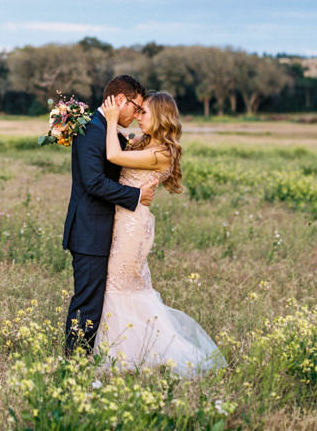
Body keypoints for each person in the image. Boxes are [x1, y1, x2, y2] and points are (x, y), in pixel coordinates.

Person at [94, 91, 225, 377]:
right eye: (138, 112)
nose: (138, 117)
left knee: (119, 286)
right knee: (122, 286)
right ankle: (128, 350)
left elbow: (113, 156)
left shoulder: (161, 153)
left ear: (161, 116)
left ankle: (130, 354)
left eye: (144, 112)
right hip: (121, 220)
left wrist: (112, 119)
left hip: (133, 227)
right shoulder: (144, 143)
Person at [63, 75, 157, 355]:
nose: (137, 114)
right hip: (89, 231)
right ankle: (74, 363)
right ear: (119, 100)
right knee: (88, 303)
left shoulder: (108, 130)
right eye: (136, 107)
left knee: (98, 302)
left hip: (106, 231)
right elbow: (93, 182)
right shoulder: (91, 130)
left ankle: (89, 358)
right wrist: (137, 196)